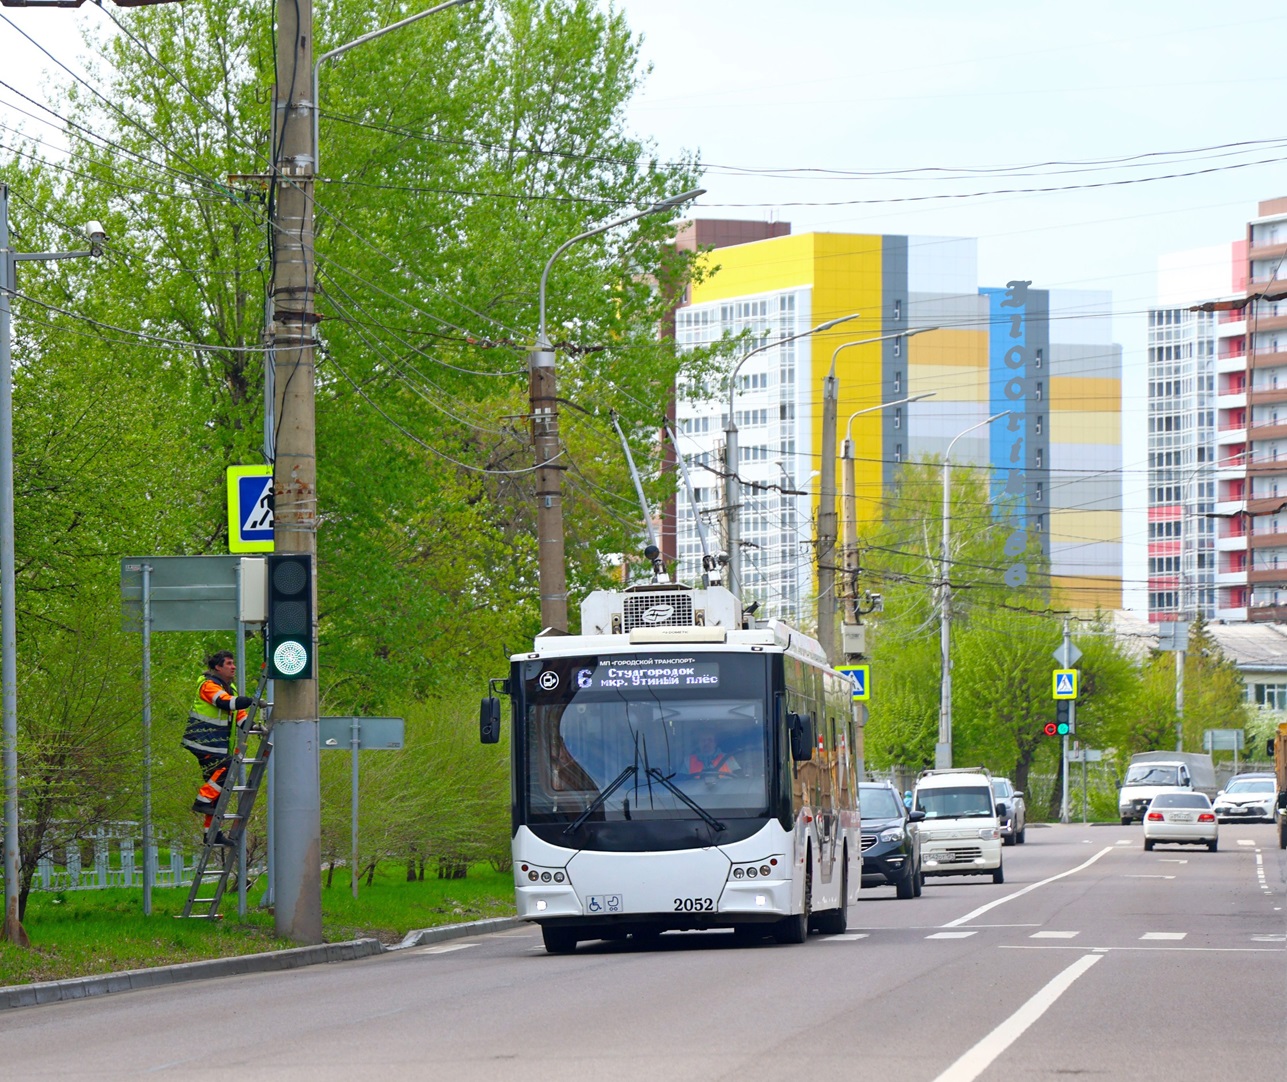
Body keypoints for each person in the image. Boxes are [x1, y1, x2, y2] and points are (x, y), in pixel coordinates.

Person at [183, 650, 261, 845]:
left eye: (233, 663)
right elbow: (225, 703)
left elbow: (239, 716)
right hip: (204, 741)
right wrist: (251, 700)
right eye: (229, 663)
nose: (233, 667)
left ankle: (211, 833)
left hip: (217, 744)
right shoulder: (208, 685)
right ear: (217, 667)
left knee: (218, 790)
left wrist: (254, 726)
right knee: (225, 771)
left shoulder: (229, 687)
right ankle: (202, 800)